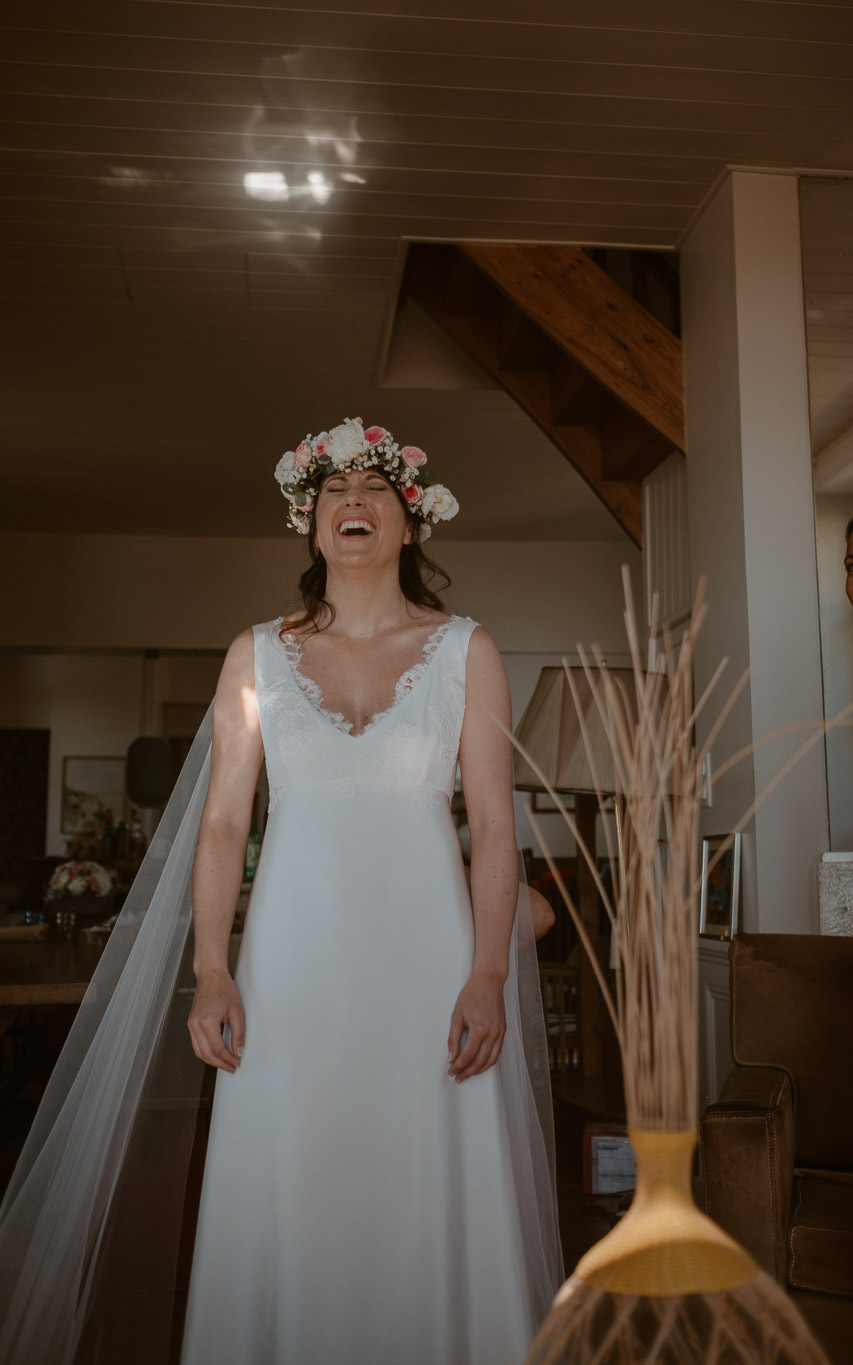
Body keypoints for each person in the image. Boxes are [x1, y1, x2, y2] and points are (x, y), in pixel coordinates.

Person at [179, 417, 563, 1364]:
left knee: (423, 1181)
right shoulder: (254, 656)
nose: (353, 502)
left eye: (375, 489)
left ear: (408, 519)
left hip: (429, 968)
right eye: (334, 491)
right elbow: (225, 824)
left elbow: (495, 831)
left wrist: (487, 976)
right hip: (290, 970)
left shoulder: (466, 651)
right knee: (294, 1177)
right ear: (311, 525)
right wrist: (211, 968)